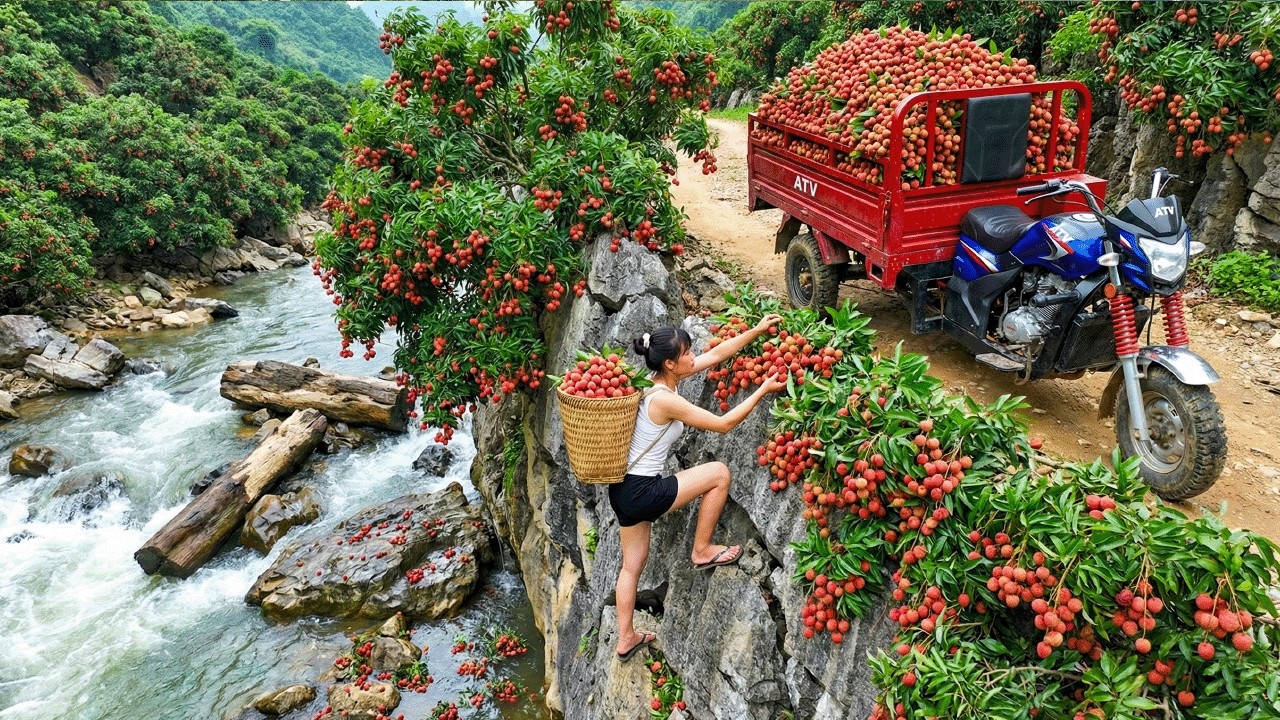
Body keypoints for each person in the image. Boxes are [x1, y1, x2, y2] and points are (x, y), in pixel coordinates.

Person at [611, 314, 786, 662]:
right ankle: (702, 549)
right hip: (643, 492)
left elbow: (716, 355)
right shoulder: (665, 400)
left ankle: (625, 637)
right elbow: (722, 424)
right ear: (670, 363)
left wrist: (757, 330)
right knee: (719, 473)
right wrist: (763, 389)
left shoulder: (656, 381)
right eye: (687, 353)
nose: (694, 357)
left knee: (632, 566)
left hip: (621, 491)